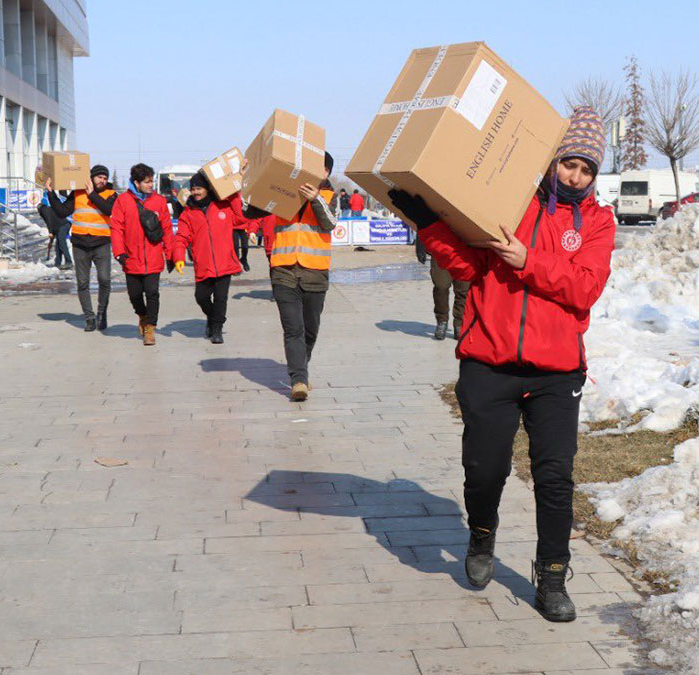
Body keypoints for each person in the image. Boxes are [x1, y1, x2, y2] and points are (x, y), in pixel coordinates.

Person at [389, 107, 615, 623]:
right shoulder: (511, 205)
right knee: (483, 469)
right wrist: (428, 224)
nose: (575, 177)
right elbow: (469, 265)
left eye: (586, 169)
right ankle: (482, 533)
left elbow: (584, 287)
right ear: (552, 161)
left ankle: (553, 575)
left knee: (554, 475)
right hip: (488, 363)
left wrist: (527, 260)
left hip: (556, 371)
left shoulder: (598, 223)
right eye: (568, 165)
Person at [246, 152, 337, 401]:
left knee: (310, 329)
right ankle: (298, 380)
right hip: (283, 270)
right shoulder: (282, 192)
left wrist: (316, 200)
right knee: (293, 328)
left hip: (315, 272)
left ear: (326, 173)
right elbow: (249, 211)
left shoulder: (329, 196)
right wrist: (247, 178)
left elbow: (330, 224)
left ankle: (301, 368)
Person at [169, 171, 245, 344]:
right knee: (201, 297)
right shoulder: (188, 213)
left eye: (199, 189)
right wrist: (179, 257)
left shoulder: (223, 207)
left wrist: (233, 192)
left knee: (221, 298)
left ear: (208, 189)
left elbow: (241, 219)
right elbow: (181, 237)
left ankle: (217, 329)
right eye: (193, 189)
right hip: (203, 264)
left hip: (225, 262)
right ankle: (212, 317)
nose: (195, 192)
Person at [47, 164, 118, 331]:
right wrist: (51, 193)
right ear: (91, 177)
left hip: (101, 244)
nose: (103, 180)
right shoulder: (78, 192)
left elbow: (108, 210)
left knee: (105, 280)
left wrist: (91, 194)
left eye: (105, 178)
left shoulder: (112, 194)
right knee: (83, 283)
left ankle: (102, 313)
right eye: (100, 177)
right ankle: (89, 318)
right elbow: (62, 211)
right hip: (80, 245)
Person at [110, 163, 174, 346]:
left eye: (151, 181)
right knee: (135, 295)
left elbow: (168, 230)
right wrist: (119, 253)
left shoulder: (159, 201)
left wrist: (170, 254)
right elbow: (116, 228)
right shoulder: (123, 201)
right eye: (146, 182)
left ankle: (150, 328)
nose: (150, 185)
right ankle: (142, 315)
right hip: (131, 257)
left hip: (153, 257)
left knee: (153, 293)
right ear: (136, 183)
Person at [416, 236, 470, 340]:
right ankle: (442, 321)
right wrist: (420, 242)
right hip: (441, 250)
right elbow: (425, 221)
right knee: (441, 286)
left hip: (465, 252)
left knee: (463, 290)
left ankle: (459, 324)